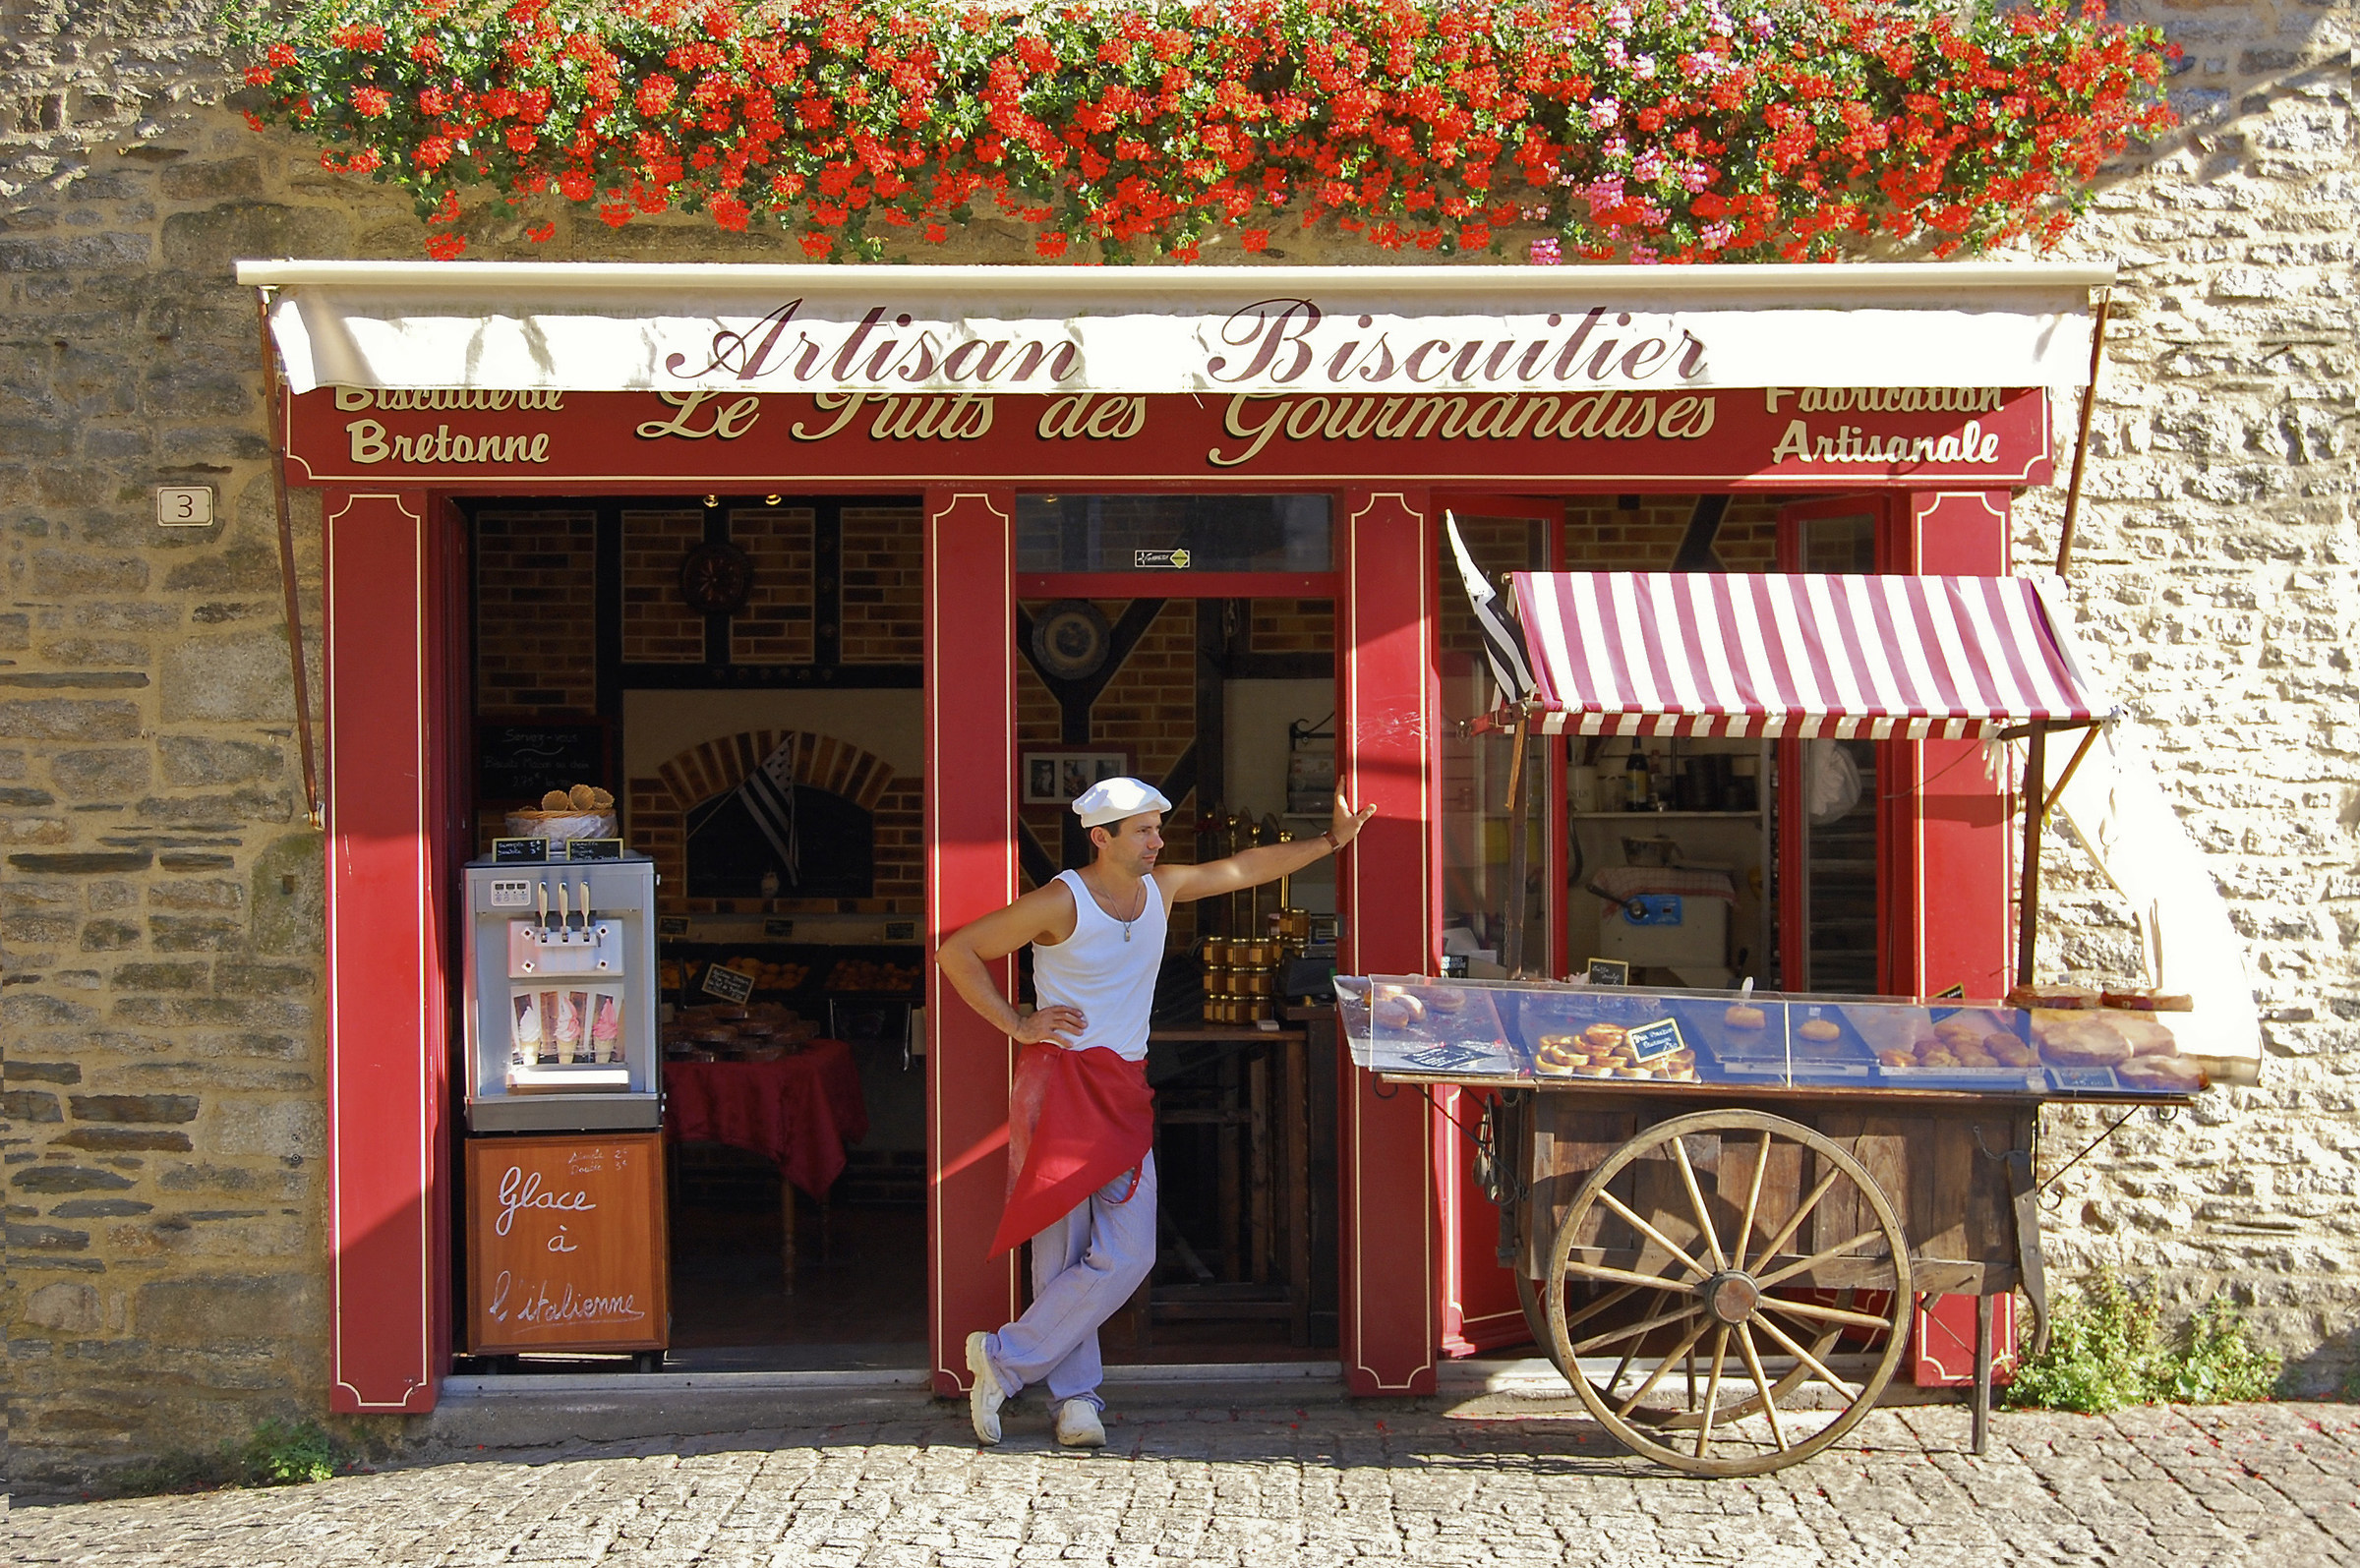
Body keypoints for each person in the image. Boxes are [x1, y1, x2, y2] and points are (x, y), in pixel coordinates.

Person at [935, 777, 1375, 1448]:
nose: (1157, 840)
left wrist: (1329, 842)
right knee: (1061, 1254)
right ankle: (1076, 1399)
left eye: (1157, 828)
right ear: (1101, 837)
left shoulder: (1160, 887)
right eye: (1144, 830)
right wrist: (1016, 1022)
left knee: (1129, 1250)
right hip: (1060, 1086)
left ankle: (1002, 1358)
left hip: (1122, 1087)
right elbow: (956, 950)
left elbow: (1240, 868)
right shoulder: (1061, 899)